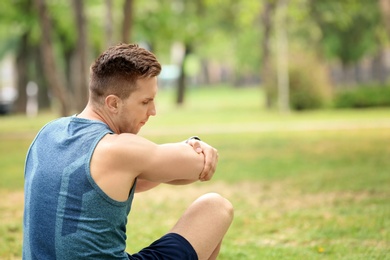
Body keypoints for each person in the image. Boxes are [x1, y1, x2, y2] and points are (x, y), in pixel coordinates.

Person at [23, 43, 234, 260]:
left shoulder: (47, 133)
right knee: (215, 207)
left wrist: (168, 159)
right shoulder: (118, 148)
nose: (153, 111)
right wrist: (195, 144)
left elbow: (137, 179)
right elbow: (199, 165)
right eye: (145, 102)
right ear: (113, 103)